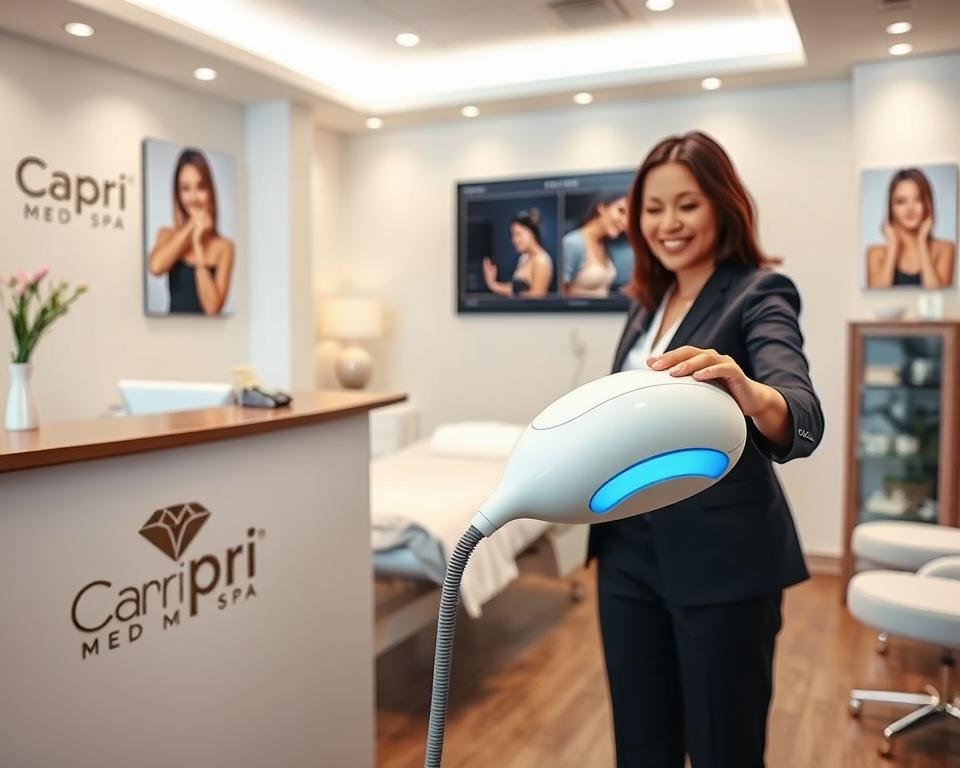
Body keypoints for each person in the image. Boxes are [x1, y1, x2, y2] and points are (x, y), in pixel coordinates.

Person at [587, 130, 824, 768]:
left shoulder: (759, 293)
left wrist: (750, 391)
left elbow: (800, 413)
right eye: (653, 207)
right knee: (641, 744)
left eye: (686, 204)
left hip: (723, 561)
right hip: (627, 550)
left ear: (722, 204)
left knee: (724, 748)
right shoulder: (646, 305)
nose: (668, 223)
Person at [148, 148, 235, 314]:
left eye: (201, 187)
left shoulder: (225, 247)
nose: (194, 198)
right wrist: (190, 227)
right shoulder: (167, 234)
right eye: (186, 189)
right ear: (178, 194)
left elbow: (212, 309)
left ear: (210, 191)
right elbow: (156, 268)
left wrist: (198, 245)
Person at [865, 168, 956, 288]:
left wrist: (922, 242)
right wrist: (893, 247)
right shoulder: (875, 253)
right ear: (891, 208)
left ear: (927, 204)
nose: (910, 209)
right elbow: (875, 299)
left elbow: (939, 298)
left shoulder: (946, 249)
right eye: (901, 201)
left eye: (918, 199)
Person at [562, 193, 628, 297]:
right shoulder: (572, 243)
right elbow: (560, 297)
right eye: (621, 211)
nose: (625, 222)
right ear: (602, 207)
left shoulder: (603, 244)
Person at [482, 209, 553, 298]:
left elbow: (536, 299)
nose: (515, 240)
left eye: (518, 234)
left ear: (531, 232)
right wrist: (492, 284)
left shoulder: (542, 261)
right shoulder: (524, 258)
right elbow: (514, 289)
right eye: (513, 235)